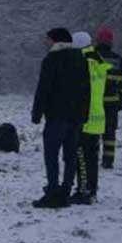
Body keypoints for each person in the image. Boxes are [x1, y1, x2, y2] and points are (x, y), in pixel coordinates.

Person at [30, 28, 90, 209]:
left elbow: (44, 88)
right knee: (70, 156)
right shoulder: (80, 58)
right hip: (76, 116)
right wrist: (84, 113)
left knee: (52, 155)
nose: (45, 42)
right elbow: (87, 89)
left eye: (47, 39)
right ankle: (65, 192)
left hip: (56, 115)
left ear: (56, 41)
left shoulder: (51, 59)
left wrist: (37, 113)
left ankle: (52, 191)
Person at [74, 32, 111, 204]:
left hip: (84, 118)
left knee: (81, 157)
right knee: (92, 159)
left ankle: (83, 191)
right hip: (97, 118)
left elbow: (81, 91)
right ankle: (91, 191)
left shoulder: (84, 62)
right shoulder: (98, 60)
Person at [93, 26, 122, 169]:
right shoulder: (119, 60)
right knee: (109, 132)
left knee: (93, 131)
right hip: (112, 102)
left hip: (94, 102)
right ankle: (108, 160)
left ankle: (92, 157)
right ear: (111, 42)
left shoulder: (90, 57)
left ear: (97, 40)